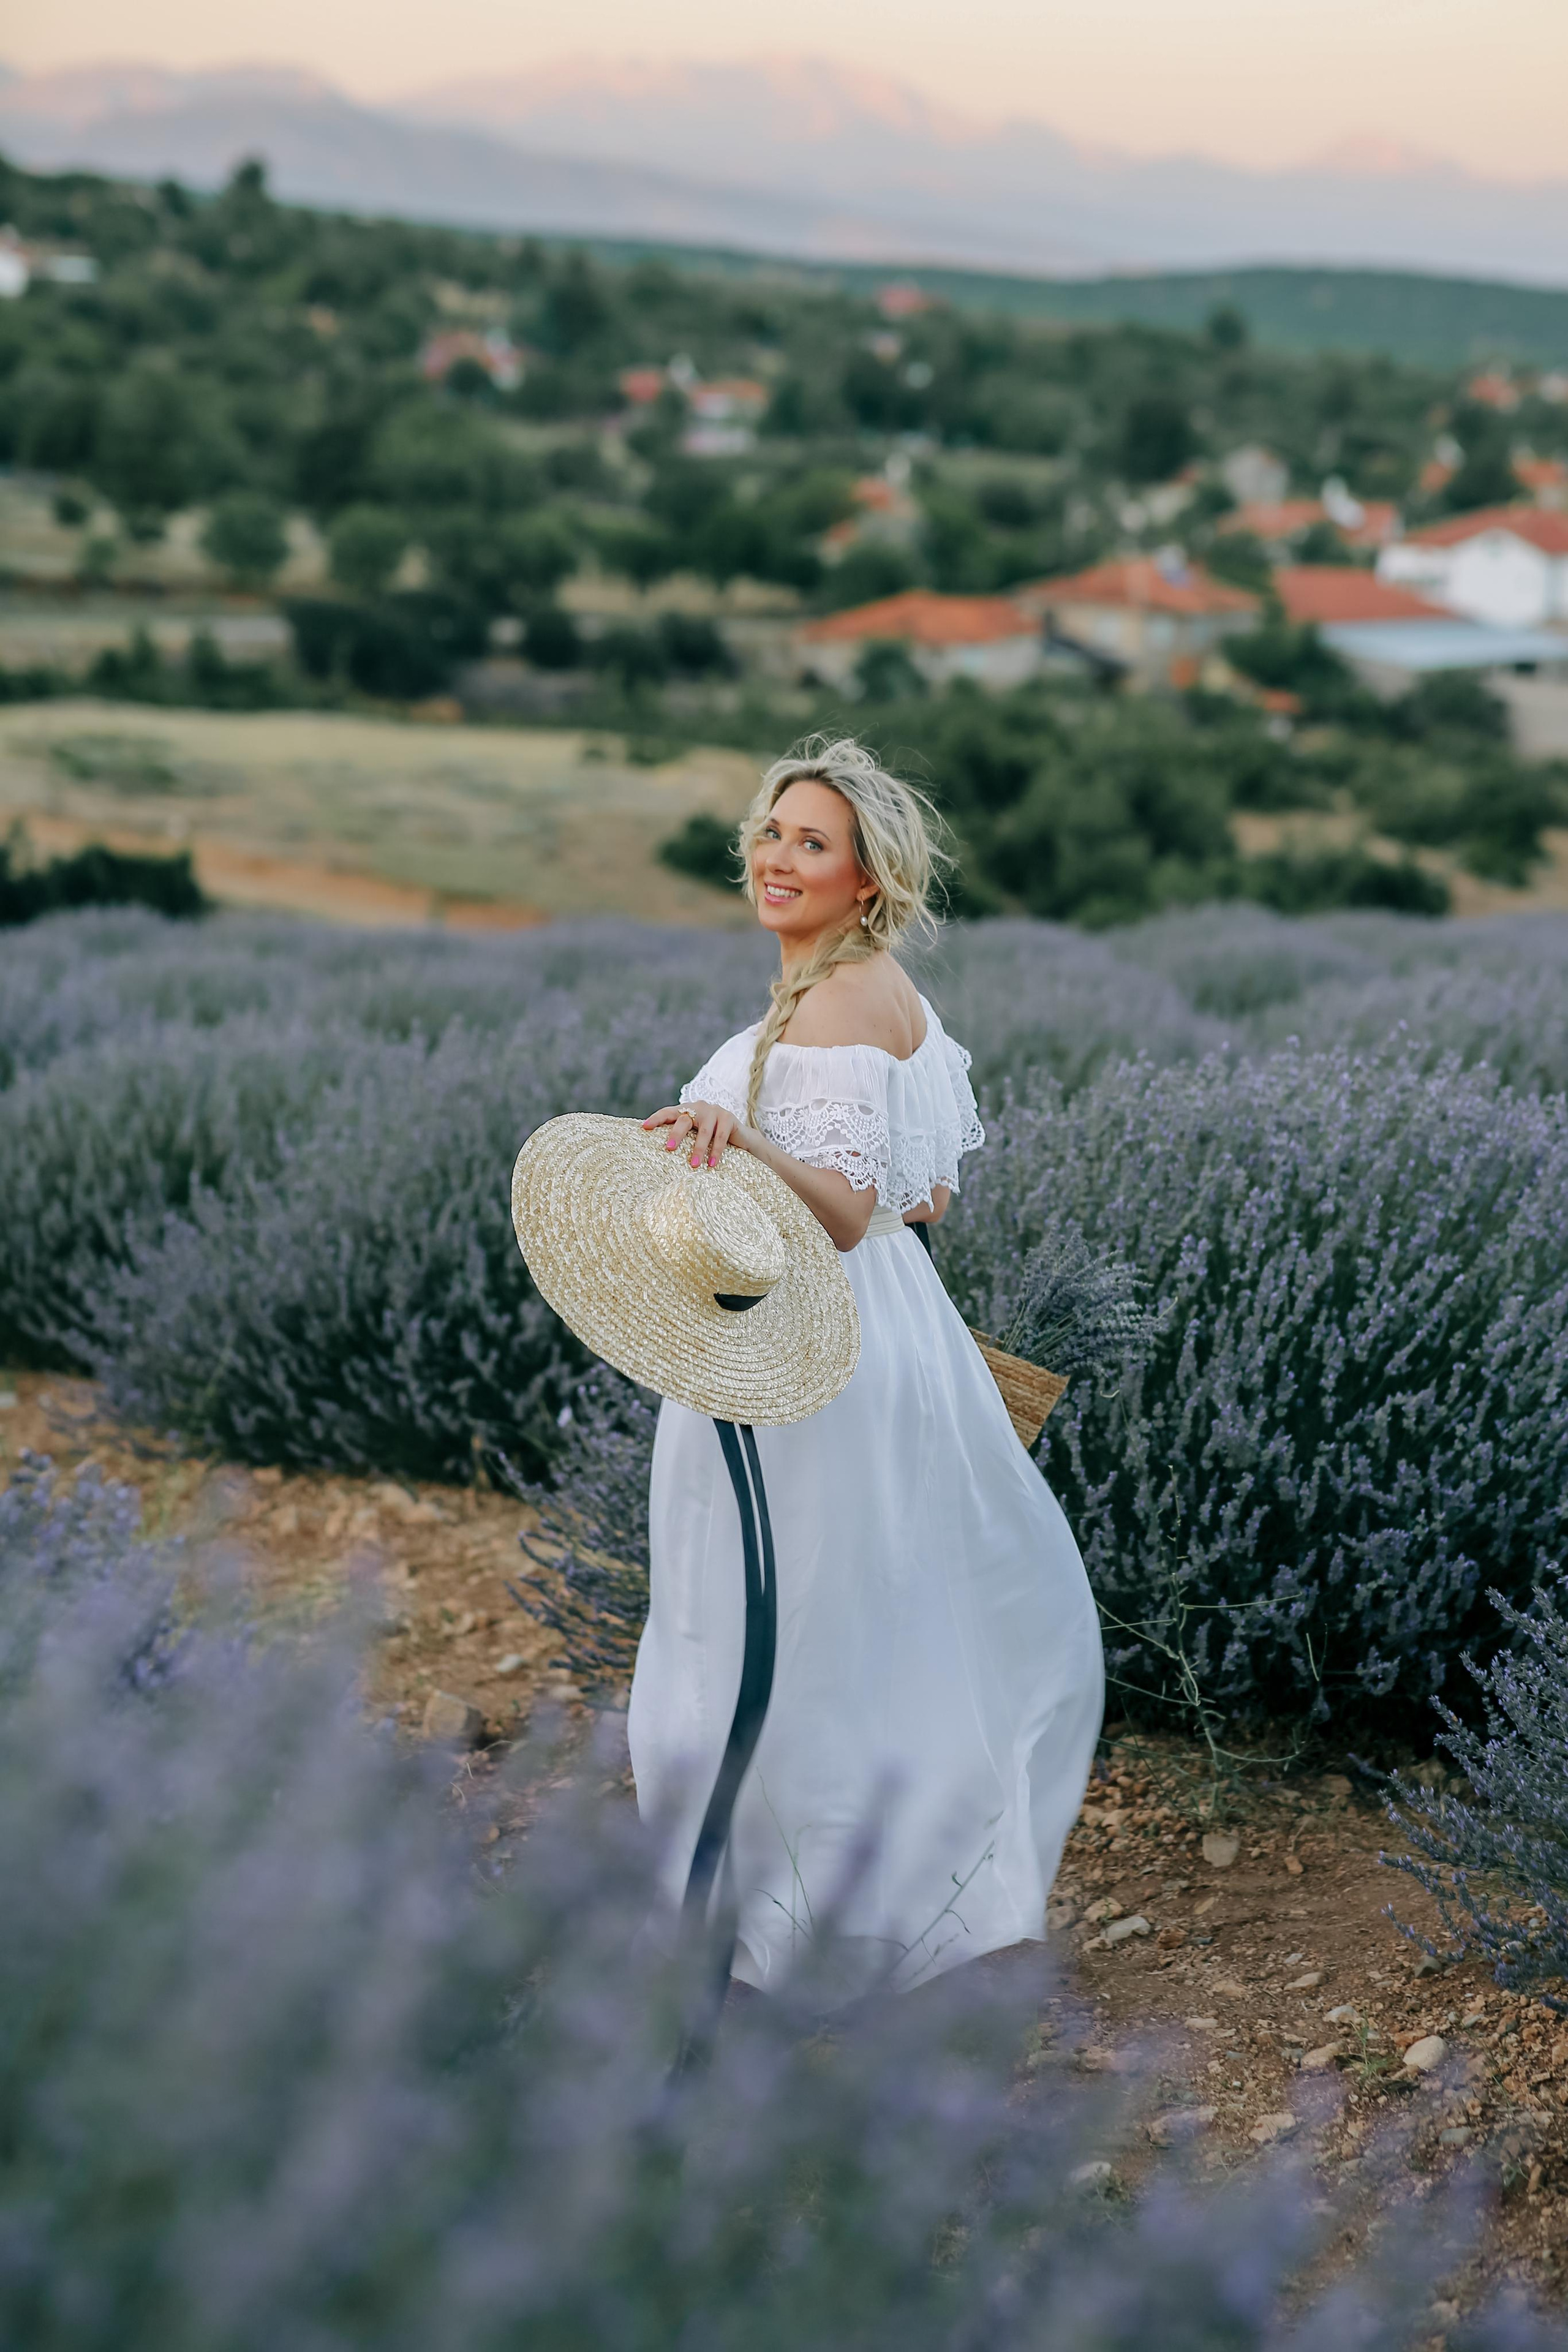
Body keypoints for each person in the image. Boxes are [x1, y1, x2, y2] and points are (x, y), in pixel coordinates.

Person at [633, 737, 1103, 1994]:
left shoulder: (837, 1000)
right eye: (771, 833)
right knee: (856, 1614)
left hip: (810, 1353)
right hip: (881, 1330)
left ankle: (786, 1927)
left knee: (771, 1622)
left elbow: (842, 1210)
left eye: (812, 844)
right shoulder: (878, 992)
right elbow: (927, 1194)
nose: (778, 858)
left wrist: (738, 1142)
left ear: (865, 880)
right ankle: (853, 1891)